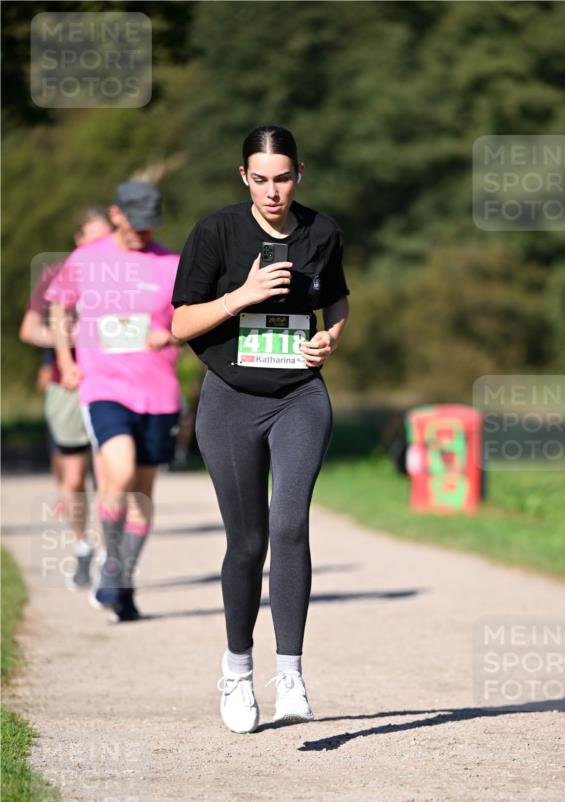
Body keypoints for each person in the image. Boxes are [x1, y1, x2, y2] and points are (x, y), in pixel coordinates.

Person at [171, 124, 350, 733]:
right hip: (229, 401)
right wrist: (241, 295)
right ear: (243, 177)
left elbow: (339, 302)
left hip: (300, 395)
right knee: (247, 545)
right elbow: (179, 324)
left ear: (300, 174)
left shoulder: (321, 231)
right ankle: (237, 671)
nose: (272, 192)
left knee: (289, 523)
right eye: (260, 179)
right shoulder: (216, 232)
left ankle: (292, 674)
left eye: (283, 178)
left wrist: (329, 338)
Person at [46, 181, 182, 621]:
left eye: (150, 226)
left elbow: (192, 319)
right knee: (118, 471)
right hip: (104, 386)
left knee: (141, 493)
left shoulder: (171, 264)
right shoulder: (86, 259)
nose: (143, 233)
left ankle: (123, 579)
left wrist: (172, 333)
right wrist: (65, 360)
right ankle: (111, 565)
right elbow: (59, 307)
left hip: (158, 392)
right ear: (116, 213)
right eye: (136, 223)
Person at [19, 208, 112, 587]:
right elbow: (30, 330)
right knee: (73, 479)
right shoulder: (56, 275)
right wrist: (68, 338)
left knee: (110, 474)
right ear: (78, 241)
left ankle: (109, 555)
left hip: (111, 382)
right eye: (95, 239)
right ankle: (81, 546)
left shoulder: (122, 276)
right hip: (68, 383)